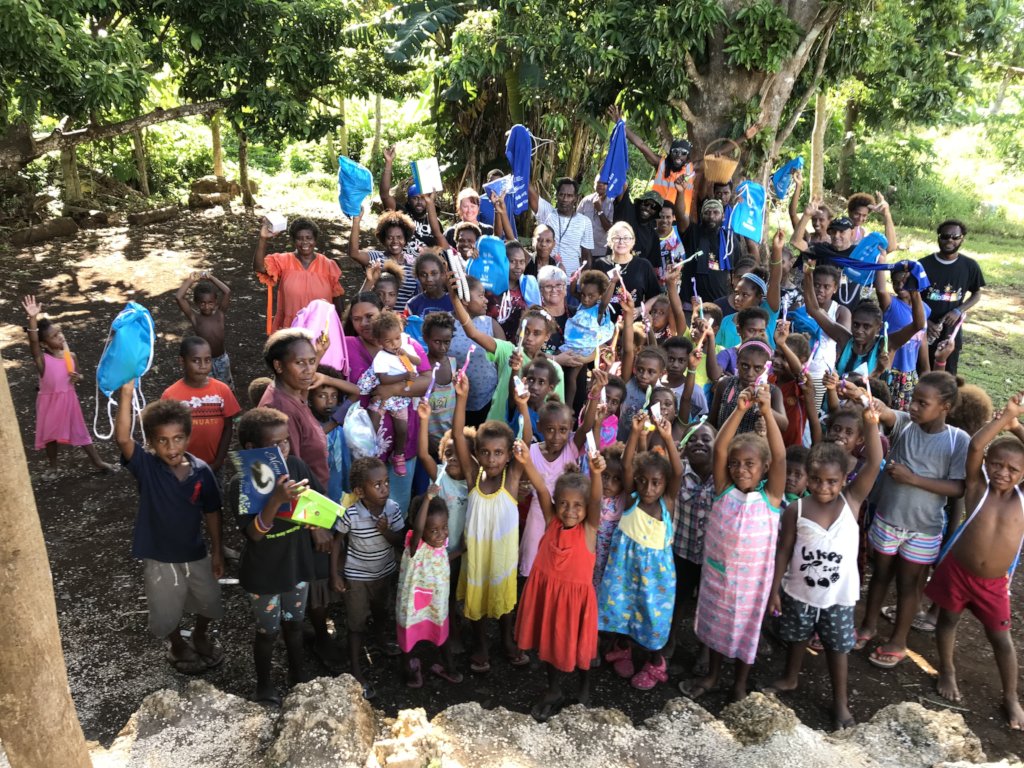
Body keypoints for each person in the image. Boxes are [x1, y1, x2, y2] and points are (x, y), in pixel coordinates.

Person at [767, 408, 882, 730]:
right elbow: (784, 550)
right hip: (799, 591)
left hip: (838, 596)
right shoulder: (796, 508)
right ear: (807, 476)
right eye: (815, 479)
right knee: (796, 637)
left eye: (832, 481)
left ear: (845, 480)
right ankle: (790, 678)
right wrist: (775, 589)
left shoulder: (851, 503)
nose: (823, 487)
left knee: (838, 647)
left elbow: (873, 463)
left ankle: (841, 702)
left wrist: (872, 425)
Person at [854, 372, 969, 668]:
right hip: (888, 519)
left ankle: (898, 640)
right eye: (914, 400)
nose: (914, 407)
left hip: (924, 529)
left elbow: (958, 487)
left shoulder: (958, 441)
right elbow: (887, 412)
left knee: (909, 584)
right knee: (879, 575)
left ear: (944, 406)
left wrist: (912, 479)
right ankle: (868, 625)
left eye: (922, 402)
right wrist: (869, 402)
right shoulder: (905, 424)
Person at [925, 396, 1024, 729]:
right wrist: (1003, 419)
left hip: (994, 585)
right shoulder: (977, 487)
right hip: (958, 572)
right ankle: (947, 671)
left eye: (1013, 469)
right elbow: (976, 447)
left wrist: (1015, 426)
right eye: (997, 464)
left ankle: (1010, 696)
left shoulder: (1020, 501)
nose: (1002, 472)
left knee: (1001, 640)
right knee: (948, 622)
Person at [683, 382, 785, 702]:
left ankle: (739, 683)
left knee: (747, 632)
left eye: (750, 464)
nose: (741, 468)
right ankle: (713, 675)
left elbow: (781, 455)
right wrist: (739, 411)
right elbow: (720, 449)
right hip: (718, 575)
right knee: (715, 625)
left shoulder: (770, 497)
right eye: (737, 463)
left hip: (754, 583)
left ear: (764, 469)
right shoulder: (723, 490)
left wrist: (767, 413)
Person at [114, 381, 224, 675]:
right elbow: (123, 438)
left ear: (188, 437)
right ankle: (176, 643)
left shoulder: (202, 471)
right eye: (162, 441)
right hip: (159, 556)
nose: (171, 447)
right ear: (150, 442)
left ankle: (200, 634)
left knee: (209, 599)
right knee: (166, 606)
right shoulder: (147, 467)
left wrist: (216, 551)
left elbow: (212, 511)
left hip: (194, 551)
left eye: (178, 439)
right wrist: (126, 393)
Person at [231, 408, 316, 705]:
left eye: (286, 442)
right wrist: (276, 500)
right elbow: (254, 534)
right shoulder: (241, 484)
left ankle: (298, 675)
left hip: (296, 566)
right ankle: (264, 686)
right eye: (275, 445)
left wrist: (315, 522)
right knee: (267, 632)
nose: (283, 450)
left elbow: (312, 505)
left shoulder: (297, 467)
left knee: (294, 624)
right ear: (252, 450)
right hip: (264, 575)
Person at [515, 450, 607, 721]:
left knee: (581, 650)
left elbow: (597, 500)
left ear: (586, 508)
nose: (569, 511)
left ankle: (584, 686)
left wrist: (597, 473)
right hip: (548, 599)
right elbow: (541, 489)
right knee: (548, 647)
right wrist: (526, 462)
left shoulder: (589, 529)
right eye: (564, 504)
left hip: (574, 604)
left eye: (578, 505)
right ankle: (554, 690)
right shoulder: (551, 519)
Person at [597, 411, 683, 690]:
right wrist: (634, 433)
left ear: (665, 484)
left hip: (655, 580)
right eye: (643, 480)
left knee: (651, 617)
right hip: (624, 570)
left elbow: (678, 471)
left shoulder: (666, 503)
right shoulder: (632, 497)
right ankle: (623, 648)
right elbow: (626, 467)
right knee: (623, 611)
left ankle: (656, 663)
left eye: (656, 482)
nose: (648, 487)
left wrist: (668, 437)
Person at [451, 372, 530, 672]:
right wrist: (461, 398)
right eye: (485, 452)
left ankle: (507, 640)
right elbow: (459, 436)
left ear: (510, 456)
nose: (492, 458)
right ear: (477, 455)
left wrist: (523, 407)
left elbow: (528, 439)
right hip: (477, 557)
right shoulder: (473, 478)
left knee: (505, 600)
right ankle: (481, 644)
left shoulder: (511, 481)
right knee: (478, 600)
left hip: (503, 558)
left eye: (499, 453)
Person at [344, 292, 431, 511]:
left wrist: (391, 389)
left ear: (383, 313)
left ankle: (394, 542)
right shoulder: (347, 347)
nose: (364, 323)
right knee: (363, 507)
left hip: (404, 441)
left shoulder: (407, 344)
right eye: (357, 319)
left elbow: (427, 382)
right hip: (363, 446)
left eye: (370, 316)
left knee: (397, 505)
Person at [331, 457, 405, 698]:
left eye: (386, 482)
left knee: (382, 611)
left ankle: (382, 642)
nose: (384, 488)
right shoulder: (350, 514)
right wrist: (336, 574)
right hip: (357, 577)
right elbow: (337, 543)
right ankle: (356, 668)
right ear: (360, 491)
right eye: (377, 485)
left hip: (384, 573)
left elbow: (400, 542)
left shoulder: (392, 508)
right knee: (356, 622)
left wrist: (386, 531)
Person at [21, 295, 113, 478]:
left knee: (80, 431)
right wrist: (32, 318)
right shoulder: (42, 361)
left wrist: (76, 377)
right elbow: (32, 343)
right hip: (49, 403)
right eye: (54, 336)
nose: (60, 336)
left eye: (60, 332)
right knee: (50, 437)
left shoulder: (72, 356)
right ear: (43, 343)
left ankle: (97, 461)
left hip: (69, 400)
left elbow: (79, 376)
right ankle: (53, 466)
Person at [396, 488, 462, 688]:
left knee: (442, 636)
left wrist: (460, 551)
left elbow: (440, 559)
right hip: (413, 607)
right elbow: (417, 529)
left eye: (444, 527)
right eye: (433, 530)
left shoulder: (441, 544)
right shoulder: (415, 546)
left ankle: (449, 669)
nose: (441, 534)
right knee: (409, 639)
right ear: (421, 529)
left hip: (436, 604)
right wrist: (428, 498)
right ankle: (411, 674)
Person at [161, 336, 241, 471]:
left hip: (214, 466)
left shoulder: (222, 390)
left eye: (207, 360)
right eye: (195, 360)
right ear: (182, 361)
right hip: (182, 467)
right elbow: (164, 434)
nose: (203, 366)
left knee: (214, 492)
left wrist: (218, 461)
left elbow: (228, 427)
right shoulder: (170, 395)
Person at [253, 218, 344, 331]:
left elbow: (337, 298)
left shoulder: (328, 265)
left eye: (309, 238)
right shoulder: (283, 261)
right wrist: (263, 238)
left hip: (321, 329)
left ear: (315, 240)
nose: (305, 242)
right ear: (293, 241)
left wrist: (340, 327)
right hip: (291, 328)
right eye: (299, 239)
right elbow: (259, 268)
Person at [919, 220, 985, 375]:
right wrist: (924, 322)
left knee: (946, 376)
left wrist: (958, 310)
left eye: (955, 237)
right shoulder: (923, 265)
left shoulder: (970, 266)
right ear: (938, 237)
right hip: (922, 330)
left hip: (950, 333)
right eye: (945, 236)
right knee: (920, 372)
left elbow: (976, 294)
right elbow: (910, 297)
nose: (950, 240)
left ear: (962, 239)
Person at [608, 104, 694, 209]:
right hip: (655, 215)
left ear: (688, 156)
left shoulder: (693, 170)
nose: (678, 156)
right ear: (670, 153)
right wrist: (621, 125)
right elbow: (641, 146)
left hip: (678, 220)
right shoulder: (661, 164)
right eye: (675, 152)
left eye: (683, 153)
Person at [348, 209, 419, 312]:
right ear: (383, 239)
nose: (395, 241)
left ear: (406, 239)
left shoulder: (413, 263)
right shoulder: (376, 258)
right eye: (390, 238)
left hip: (405, 322)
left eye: (399, 237)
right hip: (378, 320)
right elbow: (354, 253)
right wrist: (356, 221)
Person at [174, 271, 233, 388]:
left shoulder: (220, 314)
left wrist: (211, 277)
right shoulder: (195, 318)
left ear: (216, 302)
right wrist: (191, 279)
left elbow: (227, 291)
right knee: (208, 387)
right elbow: (179, 297)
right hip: (205, 361)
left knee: (226, 387)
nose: (206, 306)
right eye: (202, 303)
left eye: (210, 303)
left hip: (222, 359)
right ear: (196, 303)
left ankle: (227, 405)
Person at [681, 198, 742, 305]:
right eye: (707, 213)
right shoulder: (693, 233)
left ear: (723, 217)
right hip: (691, 302)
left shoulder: (730, 240)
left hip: (720, 303)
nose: (711, 216)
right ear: (701, 216)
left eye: (716, 212)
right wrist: (681, 193)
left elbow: (737, 270)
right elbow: (680, 215)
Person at [593, 221, 662, 318]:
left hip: (633, 324)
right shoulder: (600, 264)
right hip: (604, 323)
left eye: (626, 238)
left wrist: (640, 310)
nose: (621, 242)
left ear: (633, 241)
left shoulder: (643, 265)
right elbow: (591, 296)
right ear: (609, 241)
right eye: (616, 238)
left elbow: (655, 295)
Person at [379, 146, 438, 255]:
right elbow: (384, 195)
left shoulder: (433, 221)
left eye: (423, 198)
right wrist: (388, 163)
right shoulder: (401, 214)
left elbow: (440, 244)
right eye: (415, 198)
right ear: (409, 200)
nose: (419, 202)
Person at [529, 177, 594, 275]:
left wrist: (584, 281)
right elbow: (530, 193)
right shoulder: (547, 213)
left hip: (571, 281)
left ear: (575, 198)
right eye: (561, 195)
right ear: (557, 195)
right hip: (545, 277)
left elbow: (586, 256)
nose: (565, 199)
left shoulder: (585, 222)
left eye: (569, 196)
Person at [577, 176, 615, 256]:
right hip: (583, 249)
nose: (600, 184)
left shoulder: (611, 204)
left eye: (604, 183)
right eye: (598, 182)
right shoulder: (586, 201)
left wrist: (600, 210)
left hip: (600, 250)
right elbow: (576, 222)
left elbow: (609, 229)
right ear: (594, 184)